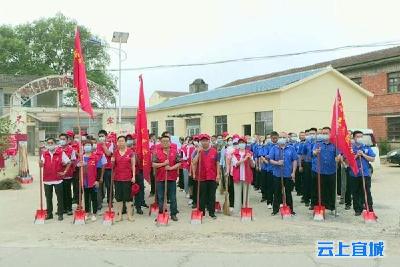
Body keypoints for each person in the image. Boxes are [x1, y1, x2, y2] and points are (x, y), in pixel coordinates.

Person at [40, 137, 71, 221]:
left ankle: (60, 213)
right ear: (46, 144)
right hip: (47, 179)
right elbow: (41, 165)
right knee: (48, 198)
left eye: (51, 143)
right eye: (48, 143)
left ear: (55, 144)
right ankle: (49, 214)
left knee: (60, 198)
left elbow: (69, 162)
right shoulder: (44, 154)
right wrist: (40, 163)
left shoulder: (61, 153)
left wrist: (64, 172)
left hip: (58, 179)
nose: (50, 144)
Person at [152, 134, 181, 221]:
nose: (165, 143)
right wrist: (163, 164)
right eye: (163, 141)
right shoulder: (156, 152)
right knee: (160, 197)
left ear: (170, 143)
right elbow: (153, 164)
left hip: (171, 178)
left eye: (167, 141)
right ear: (160, 142)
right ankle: (161, 213)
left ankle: (173, 214)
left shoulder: (175, 152)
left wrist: (171, 168)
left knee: (172, 197)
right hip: (160, 178)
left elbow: (179, 162)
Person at [311, 127, 340, 212]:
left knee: (331, 189)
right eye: (323, 133)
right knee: (320, 189)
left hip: (331, 170)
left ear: (330, 134)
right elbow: (313, 153)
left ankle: (331, 206)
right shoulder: (318, 143)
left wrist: (338, 157)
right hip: (320, 170)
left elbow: (338, 155)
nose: (324, 135)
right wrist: (315, 152)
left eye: (326, 133)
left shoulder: (335, 144)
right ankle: (321, 205)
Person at [192, 134, 220, 219]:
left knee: (212, 195)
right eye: (202, 141)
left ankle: (212, 212)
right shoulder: (197, 151)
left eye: (206, 141)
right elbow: (194, 162)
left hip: (212, 176)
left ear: (209, 141)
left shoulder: (214, 151)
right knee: (202, 195)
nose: (204, 142)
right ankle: (201, 212)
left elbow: (217, 163)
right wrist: (198, 153)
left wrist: (218, 174)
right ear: (200, 142)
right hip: (201, 177)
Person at [269, 133, 298, 216]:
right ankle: (275, 210)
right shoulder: (274, 148)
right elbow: (270, 159)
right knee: (277, 192)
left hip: (288, 174)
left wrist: (293, 172)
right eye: (280, 137)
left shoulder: (291, 148)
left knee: (288, 192)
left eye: (284, 137)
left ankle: (290, 209)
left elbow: (294, 160)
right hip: (277, 174)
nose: (282, 138)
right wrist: (277, 162)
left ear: (287, 138)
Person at [348, 130, 376, 216]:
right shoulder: (350, 148)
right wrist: (356, 156)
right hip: (354, 173)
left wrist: (363, 154)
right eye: (358, 137)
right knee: (355, 192)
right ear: (354, 138)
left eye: (361, 137)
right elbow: (347, 162)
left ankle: (369, 208)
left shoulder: (366, 147)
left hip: (365, 173)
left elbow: (372, 159)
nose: (360, 138)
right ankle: (357, 209)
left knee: (366, 191)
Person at [79, 140, 106, 221]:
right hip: (84, 181)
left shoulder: (95, 157)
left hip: (93, 181)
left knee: (94, 198)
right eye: (85, 145)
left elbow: (99, 169)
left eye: (89, 145)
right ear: (83, 147)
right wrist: (80, 164)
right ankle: (87, 212)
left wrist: (97, 180)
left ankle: (94, 213)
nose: (87, 146)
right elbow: (78, 168)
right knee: (86, 198)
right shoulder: (82, 157)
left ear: (91, 147)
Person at [111, 136, 136, 222]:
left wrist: (133, 176)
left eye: (122, 141)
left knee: (128, 198)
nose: (120, 143)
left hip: (127, 178)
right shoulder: (115, 152)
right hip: (117, 178)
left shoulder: (130, 152)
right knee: (119, 198)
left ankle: (129, 215)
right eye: (119, 141)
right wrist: (112, 161)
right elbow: (113, 166)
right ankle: (119, 215)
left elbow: (133, 165)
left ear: (125, 142)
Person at [231, 137, 255, 215]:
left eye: (243, 143)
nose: (242, 144)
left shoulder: (249, 153)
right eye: (240, 143)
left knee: (246, 194)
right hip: (237, 176)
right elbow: (235, 164)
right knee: (237, 194)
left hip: (247, 176)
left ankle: (246, 208)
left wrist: (250, 159)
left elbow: (253, 165)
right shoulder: (234, 153)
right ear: (238, 144)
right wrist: (244, 159)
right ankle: (237, 210)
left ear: (245, 144)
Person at [58, 133, 76, 216]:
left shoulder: (71, 149)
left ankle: (69, 208)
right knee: (60, 192)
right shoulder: (57, 149)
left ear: (67, 140)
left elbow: (73, 161)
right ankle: (62, 208)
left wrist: (66, 163)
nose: (62, 141)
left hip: (67, 173)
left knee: (67, 191)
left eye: (63, 139)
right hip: (58, 174)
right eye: (60, 139)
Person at [96, 130, 114, 210]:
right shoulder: (96, 145)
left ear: (106, 136)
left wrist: (103, 145)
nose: (101, 138)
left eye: (102, 136)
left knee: (109, 186)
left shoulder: (110, 144)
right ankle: (99, 202)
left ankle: (110, 201)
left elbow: (108, 154)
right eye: (99, 136)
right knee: (99, 187)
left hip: (108, 169)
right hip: (99, 169)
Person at [300, 127, 317, 207]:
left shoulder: (319, 142)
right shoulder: (306, 143)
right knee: (307, 182)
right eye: (310, 134)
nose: (312, 135)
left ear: (316, 134)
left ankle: (314, 202)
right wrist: (301, 165)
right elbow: (302, 154)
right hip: (307, 164)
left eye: (313, 133)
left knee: (315, 183)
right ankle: (306, 199)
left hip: (317, 165)